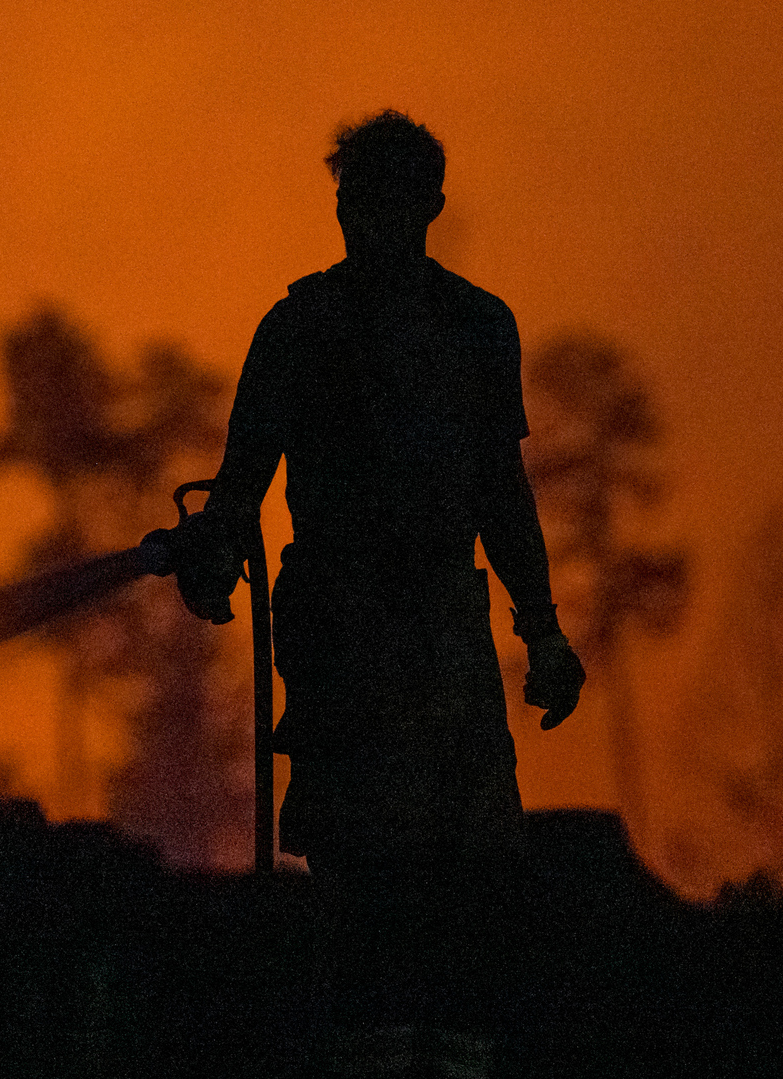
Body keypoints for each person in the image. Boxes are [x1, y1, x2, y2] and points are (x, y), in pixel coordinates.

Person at [172, 109, 584, 1077]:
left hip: (447, 623)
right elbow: (245, 477)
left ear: (429, 207)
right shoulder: (301, 327)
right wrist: (217, 549)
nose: (368, 220)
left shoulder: (478, 330)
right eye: (353, 201)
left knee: (472, 859)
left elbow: (499, 487)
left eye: (388, 201)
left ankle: (455, 1059)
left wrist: (544, 628)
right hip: (343, 627)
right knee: (369, 863)